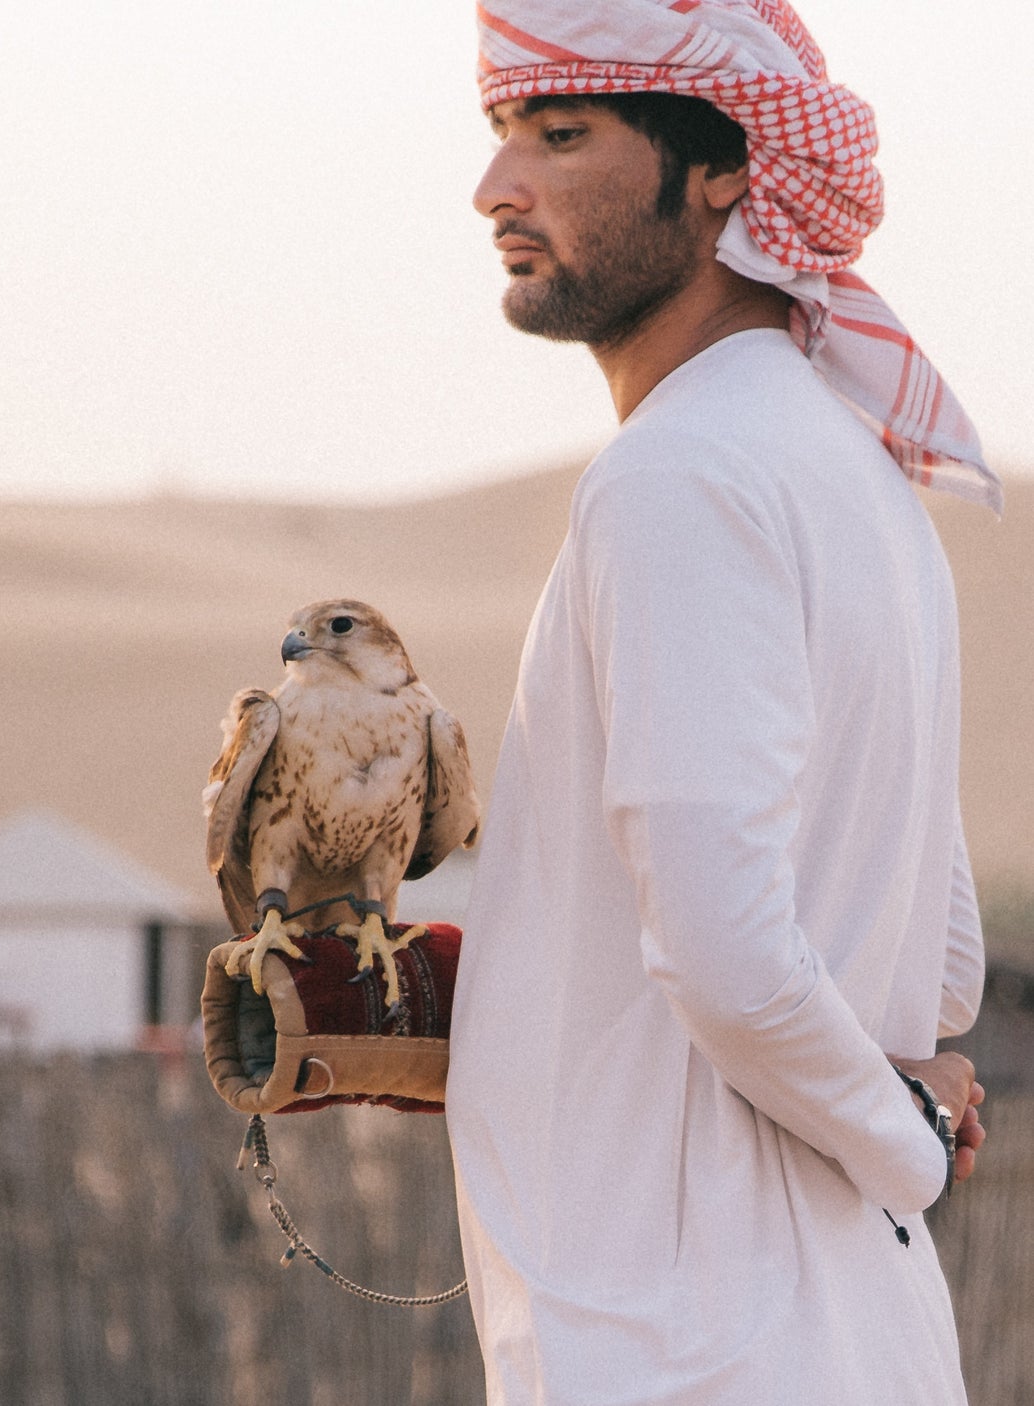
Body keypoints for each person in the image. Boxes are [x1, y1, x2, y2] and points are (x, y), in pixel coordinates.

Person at [445, 3, 999, 1402]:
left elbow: (718, 944)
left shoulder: (678, 475)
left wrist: (897, 1137)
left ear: (725, 170)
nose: (497, 188)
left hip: (682, 1343)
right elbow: (937, 954)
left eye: (560, 135)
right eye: (502, 133)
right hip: (851, 1328)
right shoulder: (859, 475)